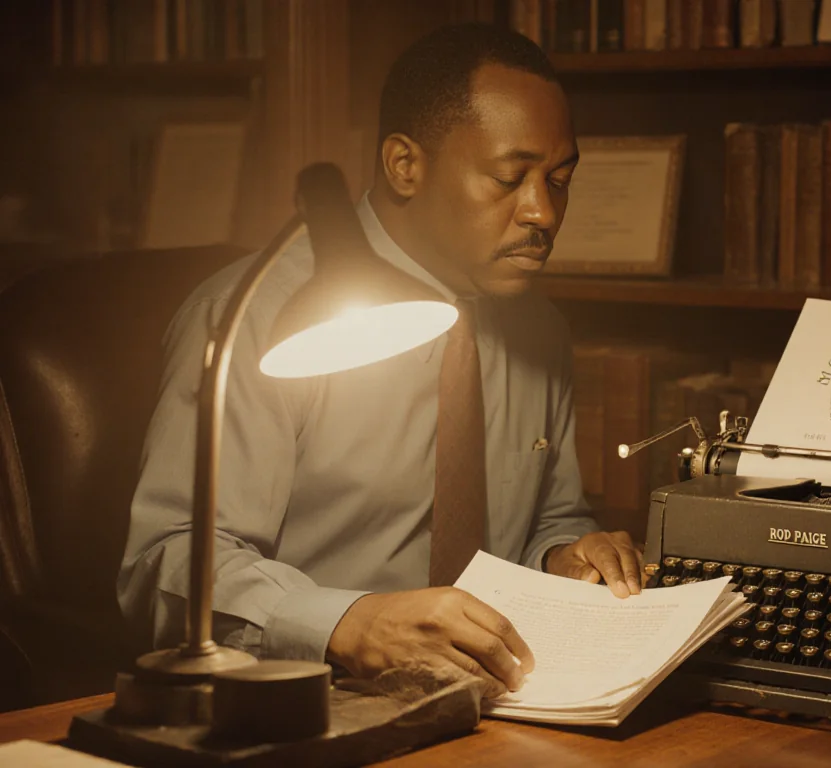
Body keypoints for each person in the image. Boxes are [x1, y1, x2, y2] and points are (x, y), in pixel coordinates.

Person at [117, 23, 644, 700]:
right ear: (405, 165)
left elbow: (549, 513)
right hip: (301, 699)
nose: (542, 211)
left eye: (560, 180)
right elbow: (169, 560)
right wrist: (347, 624)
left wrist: (567, 554)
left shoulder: (537, 329)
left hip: (497, 699)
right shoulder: (263, 316)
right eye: (509, 178)